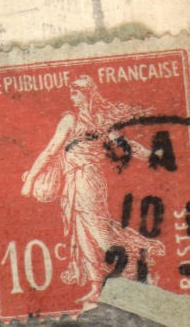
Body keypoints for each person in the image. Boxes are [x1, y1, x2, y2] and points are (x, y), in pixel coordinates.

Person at [20, 75, 163, 304]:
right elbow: (50, 151)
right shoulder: (72, 120)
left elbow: (126, 146)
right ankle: (97, 288)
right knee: (83, 236)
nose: (72, 97)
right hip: (72, 183)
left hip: (88, 181)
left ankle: (140, 277)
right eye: (71, 92)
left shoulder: (97, 119)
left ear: (87, 93)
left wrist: (151, 156)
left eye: (76, 92)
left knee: (101, 236)